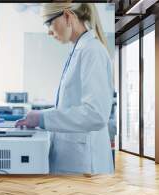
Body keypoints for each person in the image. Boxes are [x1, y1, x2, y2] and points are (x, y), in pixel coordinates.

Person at [15, 2, 114, 174]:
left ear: (68, 16)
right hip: (73, 159)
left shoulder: (92, 51)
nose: (49, 31)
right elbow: (68, 108)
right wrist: (39, 117)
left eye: (49, 23)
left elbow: (96, 114)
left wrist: (42, 118)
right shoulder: (78, 50)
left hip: (85, 164)